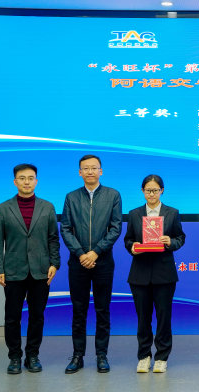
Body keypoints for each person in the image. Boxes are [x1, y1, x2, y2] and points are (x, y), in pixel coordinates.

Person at [0, 163, 60, 374]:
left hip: (41, 270)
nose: (27, 182)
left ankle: (32, 355)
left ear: (36, 181)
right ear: (15, 182)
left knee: (37, 316)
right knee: (12, 317)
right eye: (22, 178)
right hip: (13, 270)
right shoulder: (4, 208)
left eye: (31, 178)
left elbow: (53, 238)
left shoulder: (47, 207)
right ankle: (14, 357)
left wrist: (54, 263)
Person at [60, 155, 122, 374]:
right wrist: (81, 254)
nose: (90, 172)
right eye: (85, 168)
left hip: (103, 262)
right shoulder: (71, 197)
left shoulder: (113, 195)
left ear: (100, 171)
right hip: (78, 263)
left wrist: (95, 252)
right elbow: (65, 228)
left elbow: (116, 228)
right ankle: (78, 355)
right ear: (80, 172)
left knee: (102, 309)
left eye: (94, 168)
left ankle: (101, 355)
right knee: (79, 310)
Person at [124, 174, 186, 374]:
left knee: (163, 317)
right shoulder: (134, 214)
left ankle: (161, 357)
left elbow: (180, 237)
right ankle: (144, 356)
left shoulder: (172, 213)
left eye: (155, 190)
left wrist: (170, 242)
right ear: (142, 191)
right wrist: (133, 247)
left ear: (162, 191)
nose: (151, 194)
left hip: (164, 273)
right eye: (148, 190)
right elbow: (128, 240)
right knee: (143, 318)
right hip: (139, 273)